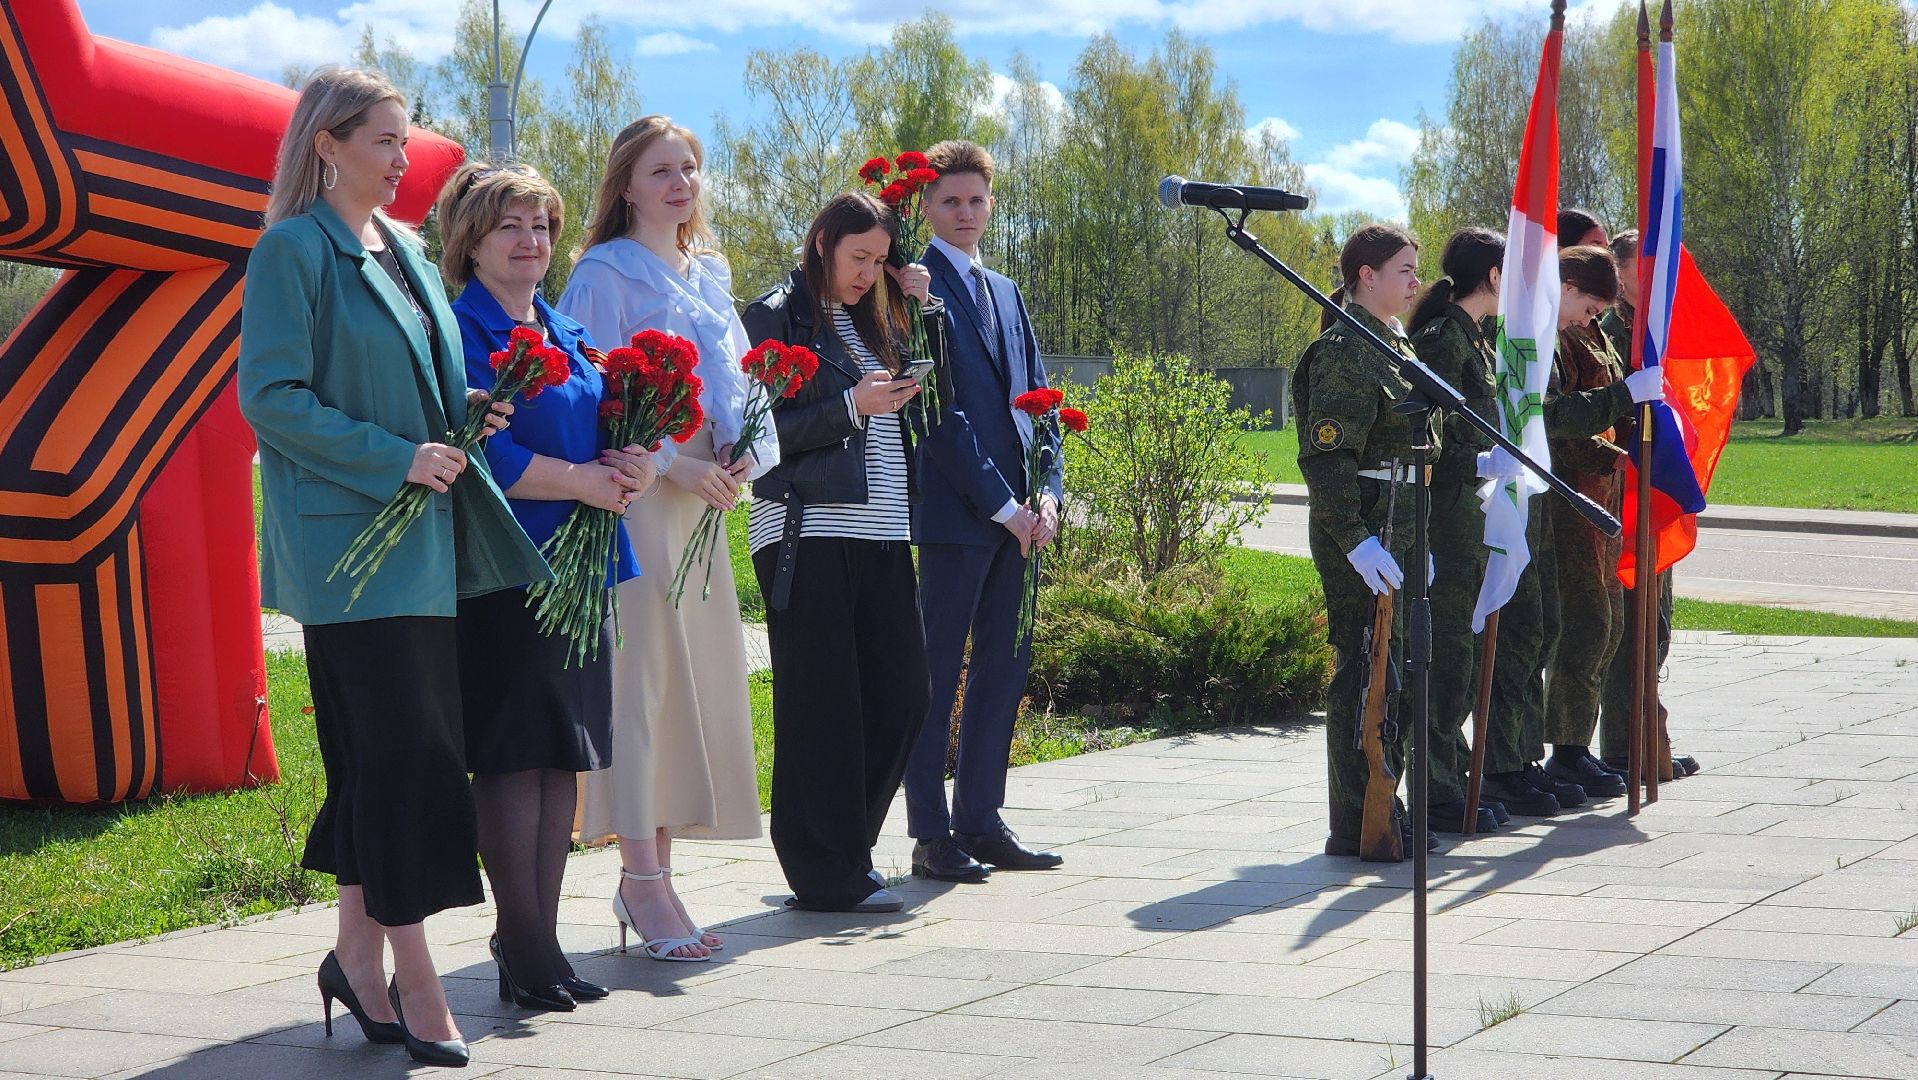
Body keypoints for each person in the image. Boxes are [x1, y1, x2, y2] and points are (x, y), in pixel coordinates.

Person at [238, 68, 548, 1067]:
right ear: (327, 144)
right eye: (384, 139)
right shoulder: (294, 251)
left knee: (387, 758)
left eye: (404, 139)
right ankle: (417, 982)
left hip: (425, 545)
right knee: (407, 761)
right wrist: (395, 458)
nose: (403, 157)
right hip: (347, 553)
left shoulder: (409, 248)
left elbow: (413, 379)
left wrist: (467, 411)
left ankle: (351, 960)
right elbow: (272, 397)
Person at [560, 116, 778, 961]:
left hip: (705, 508)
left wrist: (735, 457)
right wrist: (679, 466)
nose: (681, 182)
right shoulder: (604, 274)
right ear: (625, 184)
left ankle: (655, 879)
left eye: (690, 168)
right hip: (641, 502)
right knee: (642, 688)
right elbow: (598, 402)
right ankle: (640, 880)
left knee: (694, 687)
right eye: (662, 170)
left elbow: (741, 385)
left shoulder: (712, 273)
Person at [742, 192, 945, 912]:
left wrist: (924, 315)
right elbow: (757, 439)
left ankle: (840, 854)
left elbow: (936, 404)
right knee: (822, 706)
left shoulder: (874, 320)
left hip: (884, 530)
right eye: (860, 257)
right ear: (823, 241)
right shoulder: (775, 315)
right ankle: (827, 870)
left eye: (881, 261)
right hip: (806, 531)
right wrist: (852, 406)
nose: (869, 273)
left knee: (904, 694)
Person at [903, 140, 1065, 881]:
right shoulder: (914, 289)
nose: (965, 213)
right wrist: (1003, 505)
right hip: (958, 518)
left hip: (1021, 522)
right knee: (937, 676)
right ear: (927, 208)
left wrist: (1049, 493)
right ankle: (931, 834)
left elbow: (1038, 399)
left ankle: (982, 819)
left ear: (991, 205)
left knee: (1003, 667)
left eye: (976, 200)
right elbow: (936, 418)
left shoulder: (1006, 289)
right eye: (950, 202)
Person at [1294, 223, 1445, 860]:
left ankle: (1388, 803)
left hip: (1399, 523)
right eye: (1405, 269)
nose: (1416, 280)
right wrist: (1356, 541)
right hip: (1361, 529)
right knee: (1364, 670)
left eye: (1415, 268)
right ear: (1367, 276)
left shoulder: (1393, 344)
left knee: (1401, 672)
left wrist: (1417, 539)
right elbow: (1327, 460)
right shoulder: (1344, 351)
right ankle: (1357, 818)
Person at [1540, 243, 1666, 800]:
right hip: (1573, 499)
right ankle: (1566, 750)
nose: (1595, 318)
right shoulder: (1553, 338)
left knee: (1610, 622)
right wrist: (1617, 428)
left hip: (1604, 500)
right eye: (1592, 306)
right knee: (1587, 624)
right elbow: (1553, 423)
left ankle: (1580, 747)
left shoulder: (1586, 334)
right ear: (1567, 288)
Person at [1407, 228, 1511, 832]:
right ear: (1492, 277)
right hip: (1444, 516)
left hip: (1468, 515)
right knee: (1446, 655)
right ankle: (1436, 788)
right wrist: (1477, 463)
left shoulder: (1475, 339)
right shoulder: (1445, 340)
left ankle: (1451, 773)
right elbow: (1430, 441)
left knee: (1461, 652)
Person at [1596, 230, 1698, 779]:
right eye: (1649, 267)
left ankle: (1643, 736)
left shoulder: (1655, 332)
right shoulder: (1616, 333)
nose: (1662, 280)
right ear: (1621, 271)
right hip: (1623, 491)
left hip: (1653, 492)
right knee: (1629, 627)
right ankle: (1625, 746)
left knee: (1656, 624)